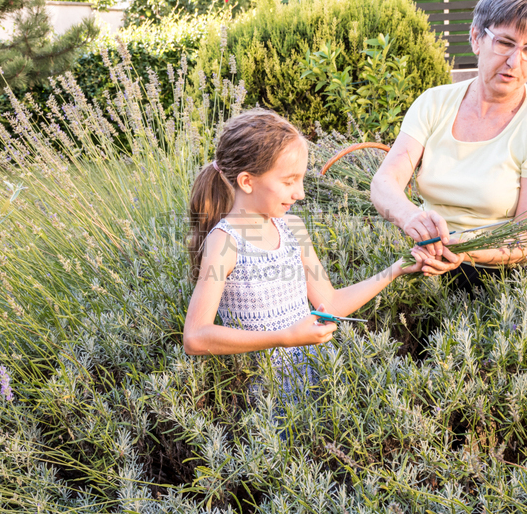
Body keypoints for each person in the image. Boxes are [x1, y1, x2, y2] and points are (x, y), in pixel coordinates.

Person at [182, 109, 430, 397]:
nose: (299, 193)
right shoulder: (225, 242)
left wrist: (397, 268)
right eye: (289, 181)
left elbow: (331, 303)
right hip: (266, 396)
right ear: (247, 182)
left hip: (317, 380)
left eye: (300, 180)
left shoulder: (293, 229)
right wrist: (285, 338)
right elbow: (196, 336)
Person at [370, 0, 527, 293]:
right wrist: (411, 217)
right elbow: (384, 182)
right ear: (476, 37)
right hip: (436, 256)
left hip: (514, 276)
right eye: (505, 43)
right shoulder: (434, 103)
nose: (515, 62)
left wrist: (463, 248)